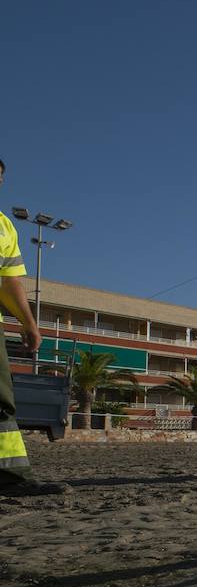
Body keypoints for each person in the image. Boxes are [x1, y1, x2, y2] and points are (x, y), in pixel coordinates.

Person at [0, 158, 63, 496]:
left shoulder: (4, 227)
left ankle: (10, 478)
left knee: (1, 403)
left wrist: (29, 323)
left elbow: (9, 282)